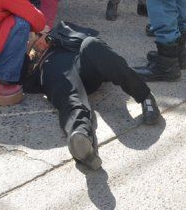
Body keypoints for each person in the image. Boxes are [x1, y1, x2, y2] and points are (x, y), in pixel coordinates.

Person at [21, 21, 161, 169]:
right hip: (54, 70)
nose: (35, 38)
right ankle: (81, 140)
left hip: (82, 62)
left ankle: (144, 96)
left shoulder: (61, 30)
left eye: (37, 34)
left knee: (91, 44)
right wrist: (29, 50)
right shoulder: (29, 57)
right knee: (68, 96)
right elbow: (20, 81)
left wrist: (50, 37)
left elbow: (90, 38)